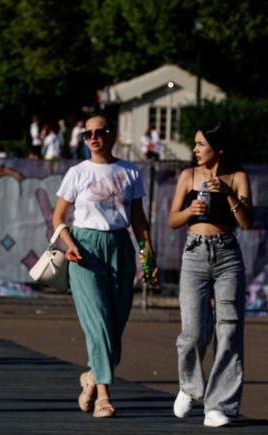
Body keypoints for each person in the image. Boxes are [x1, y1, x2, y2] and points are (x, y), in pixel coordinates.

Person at [51, 112, 156, 418]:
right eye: (88, 134)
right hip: (84, 249)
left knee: (115, 325)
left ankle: (91, 378)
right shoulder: (77, 172)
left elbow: (138, 219)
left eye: (99, 132)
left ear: (112, 135)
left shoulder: (130, 172)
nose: (93, 138)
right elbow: (58, 218)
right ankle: (104, 395)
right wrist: (70, 246)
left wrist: (148, 255)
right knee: (97, 322)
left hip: (120, 247)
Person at [167, 122, 252, 427]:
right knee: (191, 332)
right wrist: (190, 211)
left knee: (228, 330)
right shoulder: (188, 176)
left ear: (219, 148)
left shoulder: (238, 177)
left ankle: (220, 406)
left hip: (228, 254)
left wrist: (229, 194)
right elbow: (173, 220)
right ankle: (190, 387)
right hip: (195, 253)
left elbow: (246, 221)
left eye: (201, 144)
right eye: (195, 144)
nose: (196, 150)